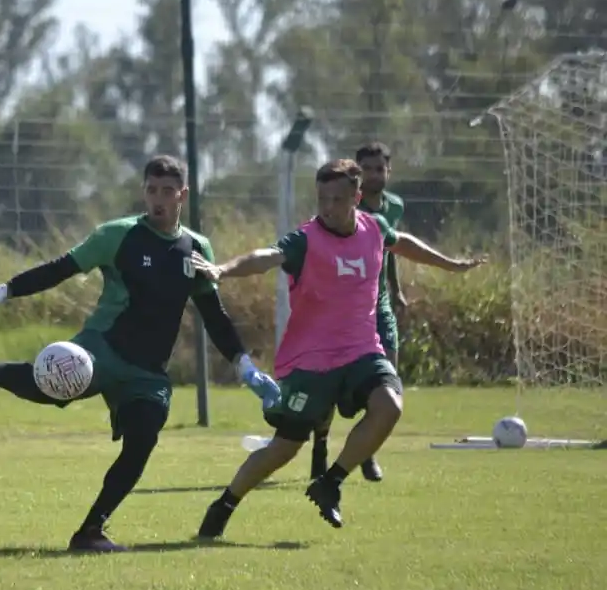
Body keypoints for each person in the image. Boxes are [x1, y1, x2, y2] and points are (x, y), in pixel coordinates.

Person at [0, 154, 281, 553]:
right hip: (100, 349)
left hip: (148, 371)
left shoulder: (197, 248)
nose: (158, 199)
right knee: (46, 390)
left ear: (183, 194)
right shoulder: (118, 235)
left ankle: (90, 531)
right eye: (151, 190)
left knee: (143, 437)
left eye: (167, 191)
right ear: (143, 191)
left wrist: (244, 366)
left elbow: (213, 315)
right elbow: (60, 268)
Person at [193, 159, 485, 537]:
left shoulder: (374, 227)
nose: (327, 207)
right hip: (311, 362)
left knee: (390, 405)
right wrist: (222, 270)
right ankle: (225, 503)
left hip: (363, 351)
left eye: (336, 199)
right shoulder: (306, 239)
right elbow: (266, 256)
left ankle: (330, 482)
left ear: (356, 198)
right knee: (283, 449)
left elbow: (401, 241)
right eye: (321, 198)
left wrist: (452, 265)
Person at [311, 142, 404, 483]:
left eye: (380, 168)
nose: (375, 175)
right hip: (346, 308)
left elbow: (391, 249)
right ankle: (320, 444)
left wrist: (396, 289)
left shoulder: (394, 208)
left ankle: (366, 453)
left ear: (388, 171)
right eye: (367, 170)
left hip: (379, 305)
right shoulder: (341, 212)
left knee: (388, 382)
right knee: (331, 384)